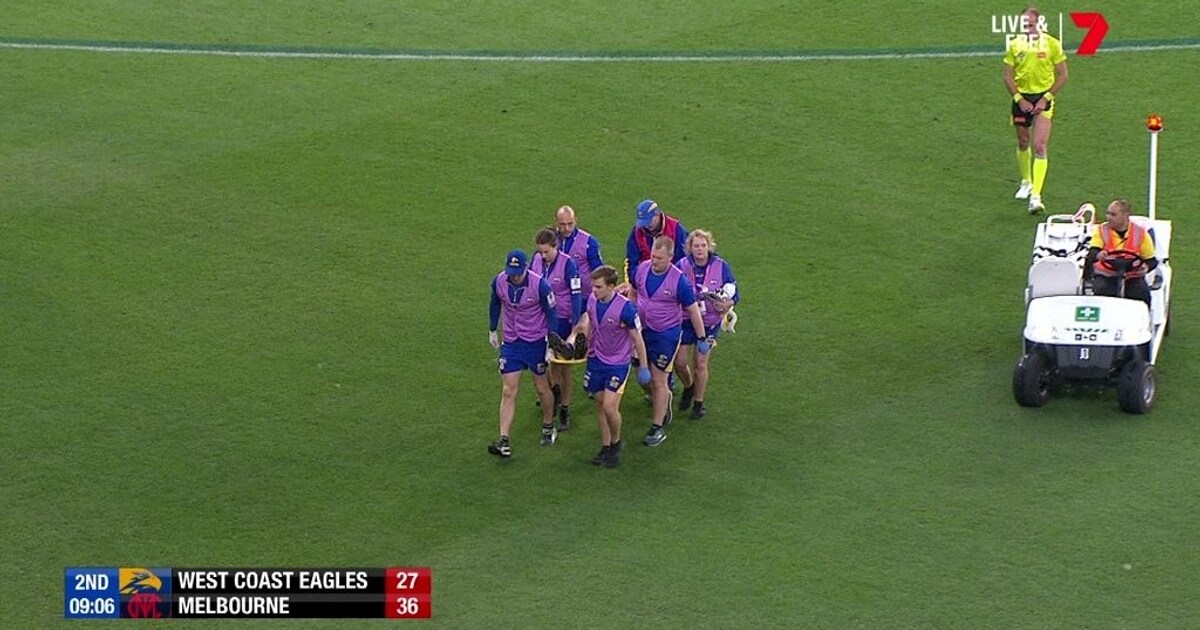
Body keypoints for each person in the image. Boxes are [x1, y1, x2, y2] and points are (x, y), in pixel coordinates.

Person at [552, 266, 652, 468]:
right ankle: (606, 446)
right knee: (600, 405)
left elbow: (637, 339)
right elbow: (590, 322)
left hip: (617, 364)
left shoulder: (626, 309)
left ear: (611, 287)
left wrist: (643, 366)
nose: (594, 290)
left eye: (598, 287)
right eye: (593, 286)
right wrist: (583, 342)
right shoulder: (592, 300)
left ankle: (616, 443)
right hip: (596, 360)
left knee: (609, 407)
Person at [627, 236, 709, 447]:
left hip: (665, 335)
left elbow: (693, 310)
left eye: (660, 258)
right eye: (653, 256)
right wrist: (631, 312)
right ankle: (663, 399)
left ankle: (657, 427)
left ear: (670, 257)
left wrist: (701, 338)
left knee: (658, 380)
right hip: (642, 331)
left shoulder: (679, 281)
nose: (654, 261)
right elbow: (634, 291)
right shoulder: (642, 269)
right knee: (642, 378)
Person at [487, 250, 559, 458]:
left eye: (518, 273)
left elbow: (551, 313)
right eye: (512, 273)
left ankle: (548, 425)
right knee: (508, 390)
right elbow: (495, 302)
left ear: (526, 268)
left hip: (535, 342)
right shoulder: (500, 281)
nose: (515, 277)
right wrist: (492, 329)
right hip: (512, 342)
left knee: (541, 388)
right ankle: (504, 439)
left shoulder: (541, 286)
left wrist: (551, 343)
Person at [1003, 5, 1068, 214]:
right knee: (1023, 142)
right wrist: (1019, 99)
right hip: (1021, 98)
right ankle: (1026, 181)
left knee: (1039, 145)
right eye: (1024, 23)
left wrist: (1046, 98)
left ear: (1038, 23)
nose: (1027, 26)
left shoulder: (1052, 44)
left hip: (1043, 98)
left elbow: (1063, 75)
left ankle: (1036, 196)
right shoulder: (1015, 45)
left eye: (1030, 23)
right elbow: (1007, 75)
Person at [674, 230, 738, 419]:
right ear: (690, 248)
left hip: (709, 322)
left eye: (703, 245)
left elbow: (734, 292)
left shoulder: (721, 266)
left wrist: (727, 303)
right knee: (680, 363)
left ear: (709, 246)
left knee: (700, 363)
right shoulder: (682, 266)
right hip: (686, 320)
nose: (700, 249)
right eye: (696, 246)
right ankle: (689, 386)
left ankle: (698, 404)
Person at [529, 227, 583, 432]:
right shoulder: (536, 260)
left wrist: (575, 325)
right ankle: (555, 391)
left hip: (562, 320)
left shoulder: (569, 264)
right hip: (540, 320)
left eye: (546, 252)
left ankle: (564, 409)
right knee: (544, 361)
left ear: (556, 246)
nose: (543, 256)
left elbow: (576, 294)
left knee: (563, 366)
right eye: (540, 252)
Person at [1082, 199, 1157, 307]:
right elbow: (1093, 252)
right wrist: (1099, 255)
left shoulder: (1140, 233)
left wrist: (1146, 268)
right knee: (1102, 292)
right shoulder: (1101, 230)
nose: (1108, 217)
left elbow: (1151, 261)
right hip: (1107, 275)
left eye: (1113, 214)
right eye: (1108, 213)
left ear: (1125, 216)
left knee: (1141, 294)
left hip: (1132, 276)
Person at [623, 199, 688, 281]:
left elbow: (684, 261)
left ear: (657, 214)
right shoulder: (636, 232)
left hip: (672, 279)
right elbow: (632, 262)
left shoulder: (676, 230)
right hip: (644, 280)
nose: (647, 225)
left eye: (649, 220)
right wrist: (634, 282)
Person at [555, 205, 604, 296]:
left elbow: (599, 271)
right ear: (556, 222)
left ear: (575, 220)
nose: (566, 228)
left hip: (583, 295)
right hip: (559, 296)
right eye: (562, 224)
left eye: (570, 224)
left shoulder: (589, 242)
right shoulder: (550, 240)